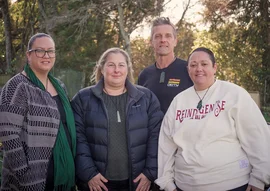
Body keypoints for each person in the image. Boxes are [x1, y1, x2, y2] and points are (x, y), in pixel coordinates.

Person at [155, 47, 270, 191]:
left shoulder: (234, 94)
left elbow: (257, 136)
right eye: (193, 65)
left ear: (214, 67)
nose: (198, 69)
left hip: (232, 184)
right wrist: (167, 183)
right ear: (188, 69)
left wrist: (259, 178)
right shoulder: (179, 101)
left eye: (204, 64)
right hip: (185, 185)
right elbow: (166, 144)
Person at [71, 47, 164, 191]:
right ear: (102, 69)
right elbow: (77, 139)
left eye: (121, 65)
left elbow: (156, 137)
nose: (116, 70)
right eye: (111, 65)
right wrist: (89, 174)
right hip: (98, 183)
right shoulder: (83, 99)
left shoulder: (146, 98)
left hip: (137, 182)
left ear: (128, 69)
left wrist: (149, 173)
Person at [0, 33, 76, 191]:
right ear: (29, 55)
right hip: (31, 180)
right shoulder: (18, 86)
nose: (46, 55)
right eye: (40, 51)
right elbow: (8, 134)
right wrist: (25, 175)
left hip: (61, 176)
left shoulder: (60, 86)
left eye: (51, 51)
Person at [137, 17, 193, 114]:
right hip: (153, 129)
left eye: (168, 36)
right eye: (158, 36)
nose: (163, 40)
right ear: (151, 42)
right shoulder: (144, 75)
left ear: (175, 41)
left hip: (181, 128)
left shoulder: (188, 70)